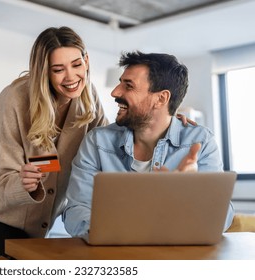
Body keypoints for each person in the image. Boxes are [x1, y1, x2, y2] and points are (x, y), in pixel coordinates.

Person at [0, 26, 109, 256]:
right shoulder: (15, 100)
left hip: (43, 216)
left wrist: (167, 119)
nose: (71, 77)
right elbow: (4, 180)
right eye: (58, 69)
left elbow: (107, 144)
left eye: (77, 65)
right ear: (44, 72)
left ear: (86, 60)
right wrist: (23, 182)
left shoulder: (88, 96)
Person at [63, 51, 235, 237]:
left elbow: (223, 215)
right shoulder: (97, 141)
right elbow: (76, 209)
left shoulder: (200, 142)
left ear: (161, 99)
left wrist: (190, 193)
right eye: (120, 82)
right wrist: (113, 236)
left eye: (128, 86)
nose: (115, 92)